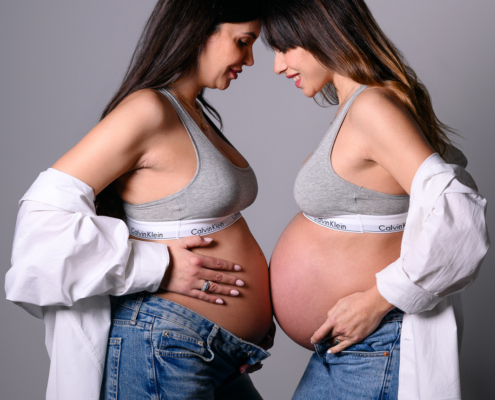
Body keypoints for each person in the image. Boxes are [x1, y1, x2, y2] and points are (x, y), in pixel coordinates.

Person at [5, 1, 275, 399]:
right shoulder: (148, 109)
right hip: (164, 347)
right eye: (243, 41)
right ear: (201, 31)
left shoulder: (193, 111)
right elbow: (42, 220)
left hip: (213, 351)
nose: (249, 59)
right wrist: (158, 265)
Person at [261, 0, 489, 399]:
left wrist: (381, 299)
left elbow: (459, 211)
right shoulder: (360, 105)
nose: (278, 66)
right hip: (354, 349)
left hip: (373, 347)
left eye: (285, 47)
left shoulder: (372, 106)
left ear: (323, 32)